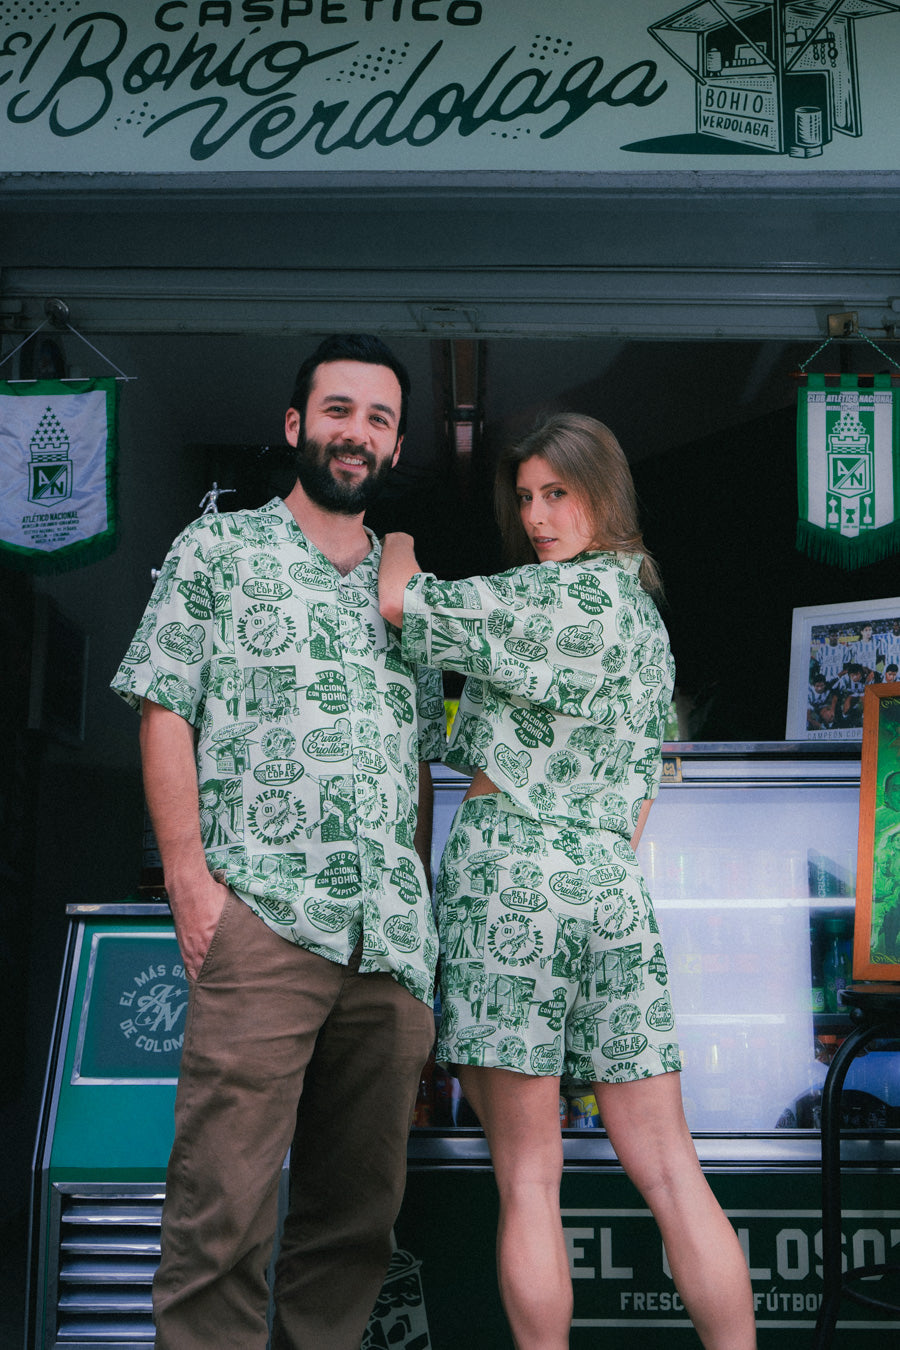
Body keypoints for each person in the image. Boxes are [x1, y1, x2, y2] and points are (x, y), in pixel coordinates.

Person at [379, 412, 757, 1350]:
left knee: (529, 1180)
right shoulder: (647, 625)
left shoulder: (538, 598)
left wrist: (397, 534)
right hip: (610, 884)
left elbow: (398, 599)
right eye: (525, 498)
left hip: (511, 879)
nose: (537, 518)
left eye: (558, 494)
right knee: (673, 1171)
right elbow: (641, 796)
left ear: (605, 494)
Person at [110, 334, 444, 1350]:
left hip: (387, 949)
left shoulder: (408, 596)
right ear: (297, 425)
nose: (357, 433)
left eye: (379, 419)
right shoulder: (218, 550)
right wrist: (190, 884)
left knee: (355, 1230)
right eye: (339, 410)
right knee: (221, 1217)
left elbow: (417, 762)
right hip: (263, 917)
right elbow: (163, 706)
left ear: (395, 447)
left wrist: (418, 913)